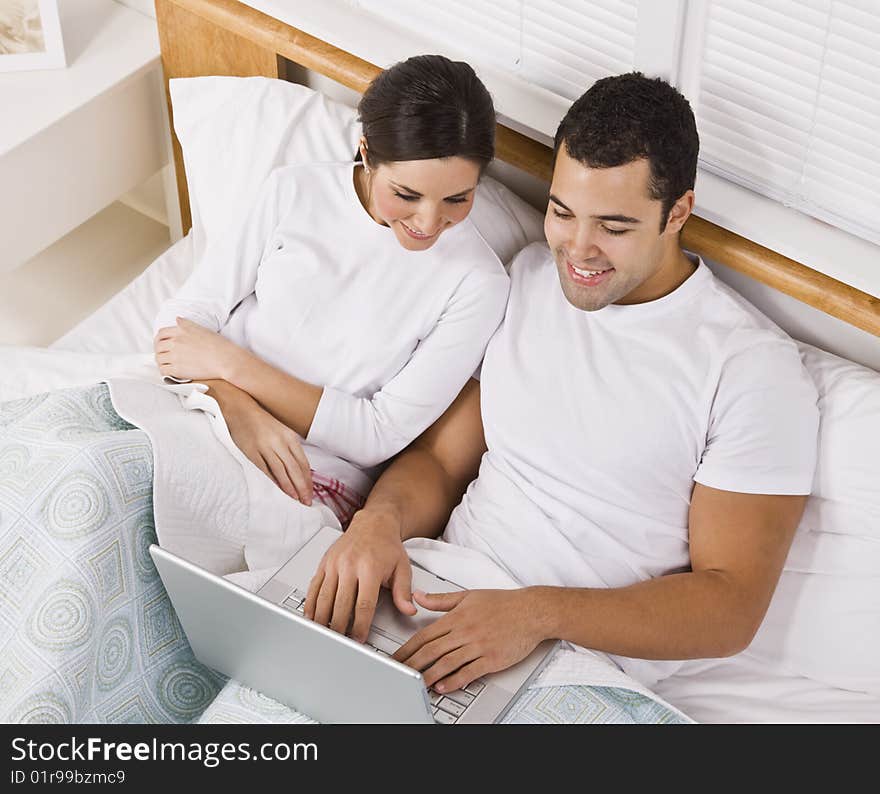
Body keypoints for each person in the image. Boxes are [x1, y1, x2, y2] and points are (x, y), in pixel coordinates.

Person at [303, 72, 822, 710]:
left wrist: (533, 616)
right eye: (561, 211)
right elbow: (442, 461)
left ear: (677, 212)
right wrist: (377, 524)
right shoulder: (527, 279)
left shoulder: (750, 368)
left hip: (577, 666)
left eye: (614, 225)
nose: (577, 249)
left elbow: (730, 604)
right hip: (436, 598)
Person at [151, 55, 509, 538]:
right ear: (365, 152)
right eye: (406, 194)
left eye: (456, 199)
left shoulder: (478, 283)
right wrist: (236, 405)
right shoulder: (293, 191)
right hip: (204, 408)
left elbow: (376, 433)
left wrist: (233, 367)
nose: (428, 223)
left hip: (305, 474)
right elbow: (180, 325)